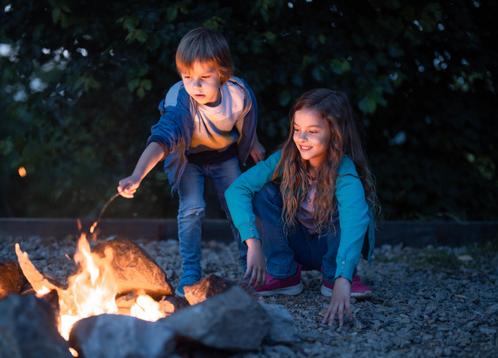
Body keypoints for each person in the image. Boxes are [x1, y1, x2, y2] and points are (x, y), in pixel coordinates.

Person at [117, 28, 265, 296]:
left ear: (222, 73)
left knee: (237, 207)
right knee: (191, 208)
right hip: (189, 160)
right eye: (187, 77)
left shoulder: (238, 94)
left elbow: (245, 118)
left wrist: (252, 142)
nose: (195, 85)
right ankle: (191, 271)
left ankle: (249, 265)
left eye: (204, 77)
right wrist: (137, 175)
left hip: (225, 156)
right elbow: (161, 139)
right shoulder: (179, 101)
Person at [225, 88, 379, 326]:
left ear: (334, 133)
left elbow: (355, 220)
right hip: (293, 241)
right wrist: (252, 241)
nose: (301, 139)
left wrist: (343, 278)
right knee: (262, 192)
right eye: (297, 129)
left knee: (347, 208)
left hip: (328, 245)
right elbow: (237, 189)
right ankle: (283, 274)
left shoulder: (344, 171)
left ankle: (333, 276)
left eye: (312, 131)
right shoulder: (287, 157)